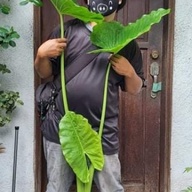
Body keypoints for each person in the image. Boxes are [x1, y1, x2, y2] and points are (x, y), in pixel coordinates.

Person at [34, 0, 145, 191]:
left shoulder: (126, 41)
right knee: (56, 187)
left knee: (111, 187)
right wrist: (41, 55)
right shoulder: (66, 30)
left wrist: (130, 73)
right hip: (63, 128)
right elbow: (44, 74)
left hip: (102, 131)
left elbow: (135, 89)